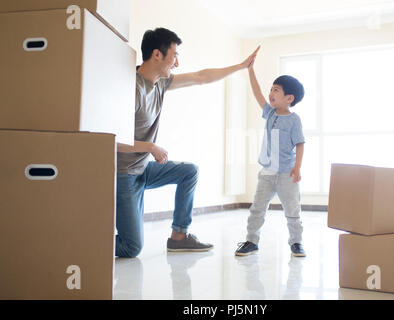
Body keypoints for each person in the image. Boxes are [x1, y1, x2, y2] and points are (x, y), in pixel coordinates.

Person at [115, 27, 259, 258]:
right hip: (123, 173)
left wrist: (240, 67)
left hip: (143, 169)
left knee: (189, 172)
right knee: (131, 247)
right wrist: (150, 147)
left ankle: (179, 237)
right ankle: (86, 237)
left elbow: (200, 77)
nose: (177, 63)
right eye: (175, 56)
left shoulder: (160, 83)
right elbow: (111, 139)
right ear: (157, 55)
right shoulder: (131, 88)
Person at [235, 45, 306, 257]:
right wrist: (250, 69)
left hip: (286, 173)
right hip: (267, 173)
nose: (270, 92)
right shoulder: (270, 113)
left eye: (276, 90)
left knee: (292, 211)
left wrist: (297, 167)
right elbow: (257, 92)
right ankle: (251, 241)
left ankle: (296, 243)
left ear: (289, 98)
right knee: (257, 209)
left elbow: (300, 144)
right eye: (271, 89)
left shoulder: (294, 120)